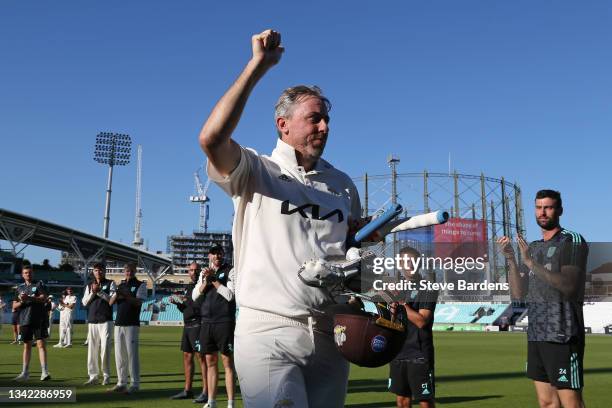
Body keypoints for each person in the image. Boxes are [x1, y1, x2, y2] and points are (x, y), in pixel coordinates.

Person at [198, 29, 363, 407]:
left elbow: (348, 256)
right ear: (282, 124)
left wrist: (359, 264)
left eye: (326, 120)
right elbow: (210, 138)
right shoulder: (256, 169)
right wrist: (258, 66)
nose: (324, 127)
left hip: (331, 334)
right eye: (314, 119)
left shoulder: (342, 184)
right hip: (268, 329)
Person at [498, 190, 588, 408]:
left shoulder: (571, 241)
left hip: (563, 334)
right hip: (537, 333)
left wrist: (530, 263)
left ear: (560, 210)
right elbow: (519, 294)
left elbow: (568, 285)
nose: (543, 212)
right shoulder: (534, 247)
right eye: (539, 207)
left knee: (571, 404)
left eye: (548, 207)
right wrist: (511, 259)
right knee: (547, 402)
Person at [388, 246, 437, 408]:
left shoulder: (428, 287)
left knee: (425, 401)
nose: (410, 265)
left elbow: (422, 321)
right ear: (400, 264)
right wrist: (391, 309)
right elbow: (391, 320)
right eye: (406, 261)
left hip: (420, 354)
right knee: (402, 400)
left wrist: (401, 301)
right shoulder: (396, 287)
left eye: (414, 261)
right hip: (397, 352)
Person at [192, 245, 235, 408]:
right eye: (215, 254)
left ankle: (230, 403)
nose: (217, 256)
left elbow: (230, 296)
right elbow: (195, 295)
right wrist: (205, 281)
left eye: (220, 253)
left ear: (223, 255)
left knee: (227, 362)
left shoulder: (230, 270)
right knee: (210, 361)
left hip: (224, 321)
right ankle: (211, 401)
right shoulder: (204, 273)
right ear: (209, 256)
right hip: (207, 322)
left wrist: (214, 280)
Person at [169, 261, 209, 403]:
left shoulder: (204, 286)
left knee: (202, 358)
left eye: (196, 270)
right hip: (187, 326)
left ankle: (206, 391)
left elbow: (201, 306)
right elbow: (187, 308)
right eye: (191, 270)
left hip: (198, 325)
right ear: (188, 272)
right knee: (187, 357)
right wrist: (178, 303)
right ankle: (188, 390)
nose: (194, 272)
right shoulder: (188, 287)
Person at [109, 262, 147, 394]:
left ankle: (135, 384)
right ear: (124, 272)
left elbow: (138, 303)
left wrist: (126, 295)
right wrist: (117, 292)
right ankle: (121, 383)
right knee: (119, 355)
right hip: (119, 323)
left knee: (132, 355)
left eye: (131, 270)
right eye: (127, 271)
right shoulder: (121, 285)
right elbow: (110, 302)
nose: (129, 273)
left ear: (135, 271)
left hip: (131, 324)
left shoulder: (140, 285)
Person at [12, 264, 51, 381]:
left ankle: (44, 372)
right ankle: (25, 373)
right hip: (25, 319)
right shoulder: (19, 288)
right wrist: (22, 302)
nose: (28, 274)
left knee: (41, 345)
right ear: (22, 275)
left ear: (33, 273)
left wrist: (28, 298)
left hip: (39, 319)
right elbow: (14, 305)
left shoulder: (39, 284)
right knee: (27, 346)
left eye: (30, 272)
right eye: (25, 273)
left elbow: (44, 298)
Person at [82, 263, 116, 386]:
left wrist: (100, 292)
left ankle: (106, 375)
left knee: (105, 348)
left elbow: (112, 301)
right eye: (96, 270)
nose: (98, 272)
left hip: (106, 320)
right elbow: (85, 302)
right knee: (92, 350)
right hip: (92, 320)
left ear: (104, 271)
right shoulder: (89, 285)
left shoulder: (111, 283)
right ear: (93, 271)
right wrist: (93, 292)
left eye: (100, 270)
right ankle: (93, 376)